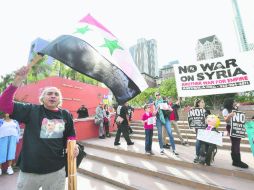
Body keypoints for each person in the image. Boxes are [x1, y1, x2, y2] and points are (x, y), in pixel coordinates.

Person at [0, 65, 79, 190]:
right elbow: (4, 104)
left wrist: (74, 147)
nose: (53, 96)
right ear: (42, 98)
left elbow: (71, 135)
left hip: (56, 170)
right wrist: (17, 80)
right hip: (30, 171)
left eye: (56, 94)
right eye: (49, 93)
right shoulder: (31, 110)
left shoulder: (66, 114)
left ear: (59, 99)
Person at [222, 98, 248, 169]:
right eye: (234, 102)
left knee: (237, 143)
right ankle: (236, 161)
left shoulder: (235, 109)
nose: (235, 102)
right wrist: (229, 115)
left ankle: (237, 160)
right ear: (230, 102)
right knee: (235, 143)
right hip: (231, 127)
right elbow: (226, 120)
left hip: (237, 127)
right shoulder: (225, 110)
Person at [193, 98, 210, 163]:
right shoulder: (194, 111)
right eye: (202, 102)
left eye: (204, 102)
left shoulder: (207, 110)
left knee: (206, 140)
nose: (204, 103)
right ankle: (197, 155)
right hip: (198, 127)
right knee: (199, 140)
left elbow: (211, 118)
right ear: (198, 103)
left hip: (207, 127)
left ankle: (204, 155)